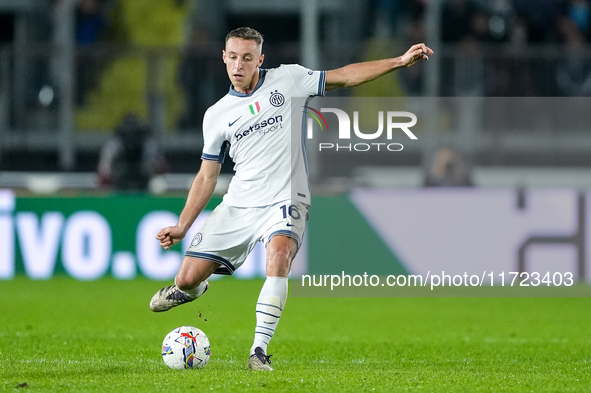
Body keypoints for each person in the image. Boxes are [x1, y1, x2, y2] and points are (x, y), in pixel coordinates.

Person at [149, 27, 433, 370]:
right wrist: (183, 225)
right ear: (224, 57)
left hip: (287, 197)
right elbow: (207, 175)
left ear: (260, 60)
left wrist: (399, 61)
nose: (239, 65)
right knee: (187, 278)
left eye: (248, 58)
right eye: (233, 57)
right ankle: (188, 292)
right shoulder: (216, 115)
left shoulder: (290, 80)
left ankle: (258, 351)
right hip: (240, 204)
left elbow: (343, 77)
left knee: (280, 255)